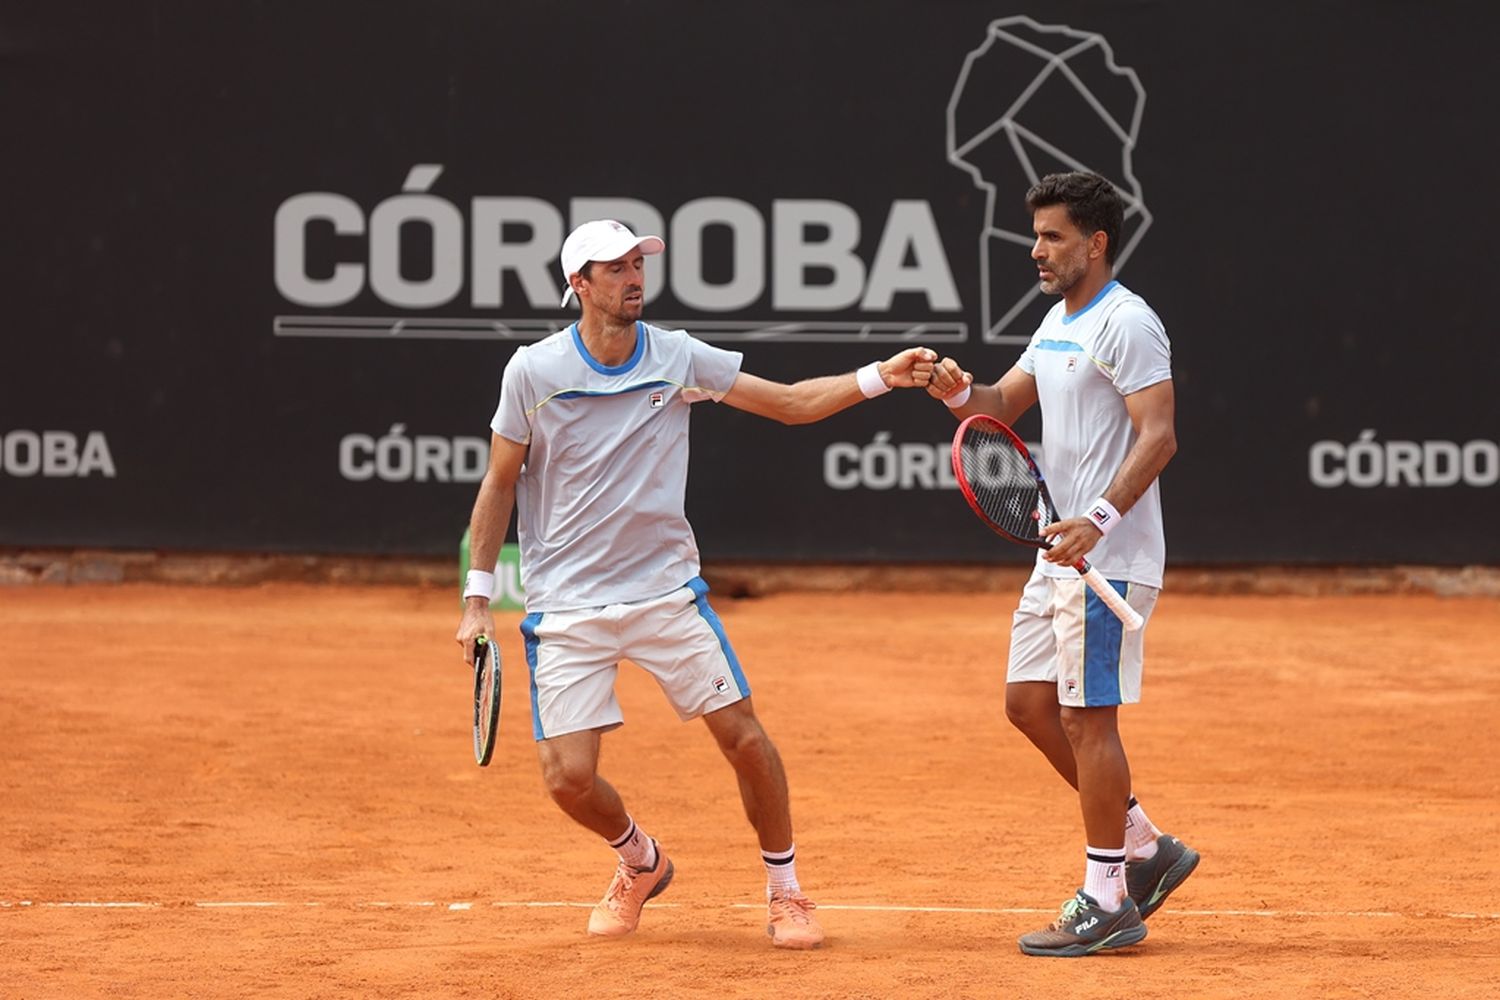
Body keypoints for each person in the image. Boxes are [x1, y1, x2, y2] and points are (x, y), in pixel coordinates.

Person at [456, 219, 935, 950]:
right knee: (568, 781)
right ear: (578, 285)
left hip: (664, 594)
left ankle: (786, 890)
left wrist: (881, 377)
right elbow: (499, 483)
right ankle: (640, 861)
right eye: (613, 269)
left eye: (637, 264)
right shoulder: (534, 372)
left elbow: (791, 402)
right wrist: (477, 599)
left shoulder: (676, 355)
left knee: (744, 738)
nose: (633, 278)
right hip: (565, 606)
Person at [927, 172, 1198, 957]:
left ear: (1096, 242)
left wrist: (1100, 519)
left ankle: (1109, 895)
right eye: (1035, 235)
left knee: (1086, 717)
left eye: (1052, 236)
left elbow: (1160, 435)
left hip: (1108, 558)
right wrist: (954, 391)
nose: (1036, 250)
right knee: (1028, 705)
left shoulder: (1128, 323)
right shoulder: (1054, 323)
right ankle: (1143, 843)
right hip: (1059, 553)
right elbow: (998, 405)